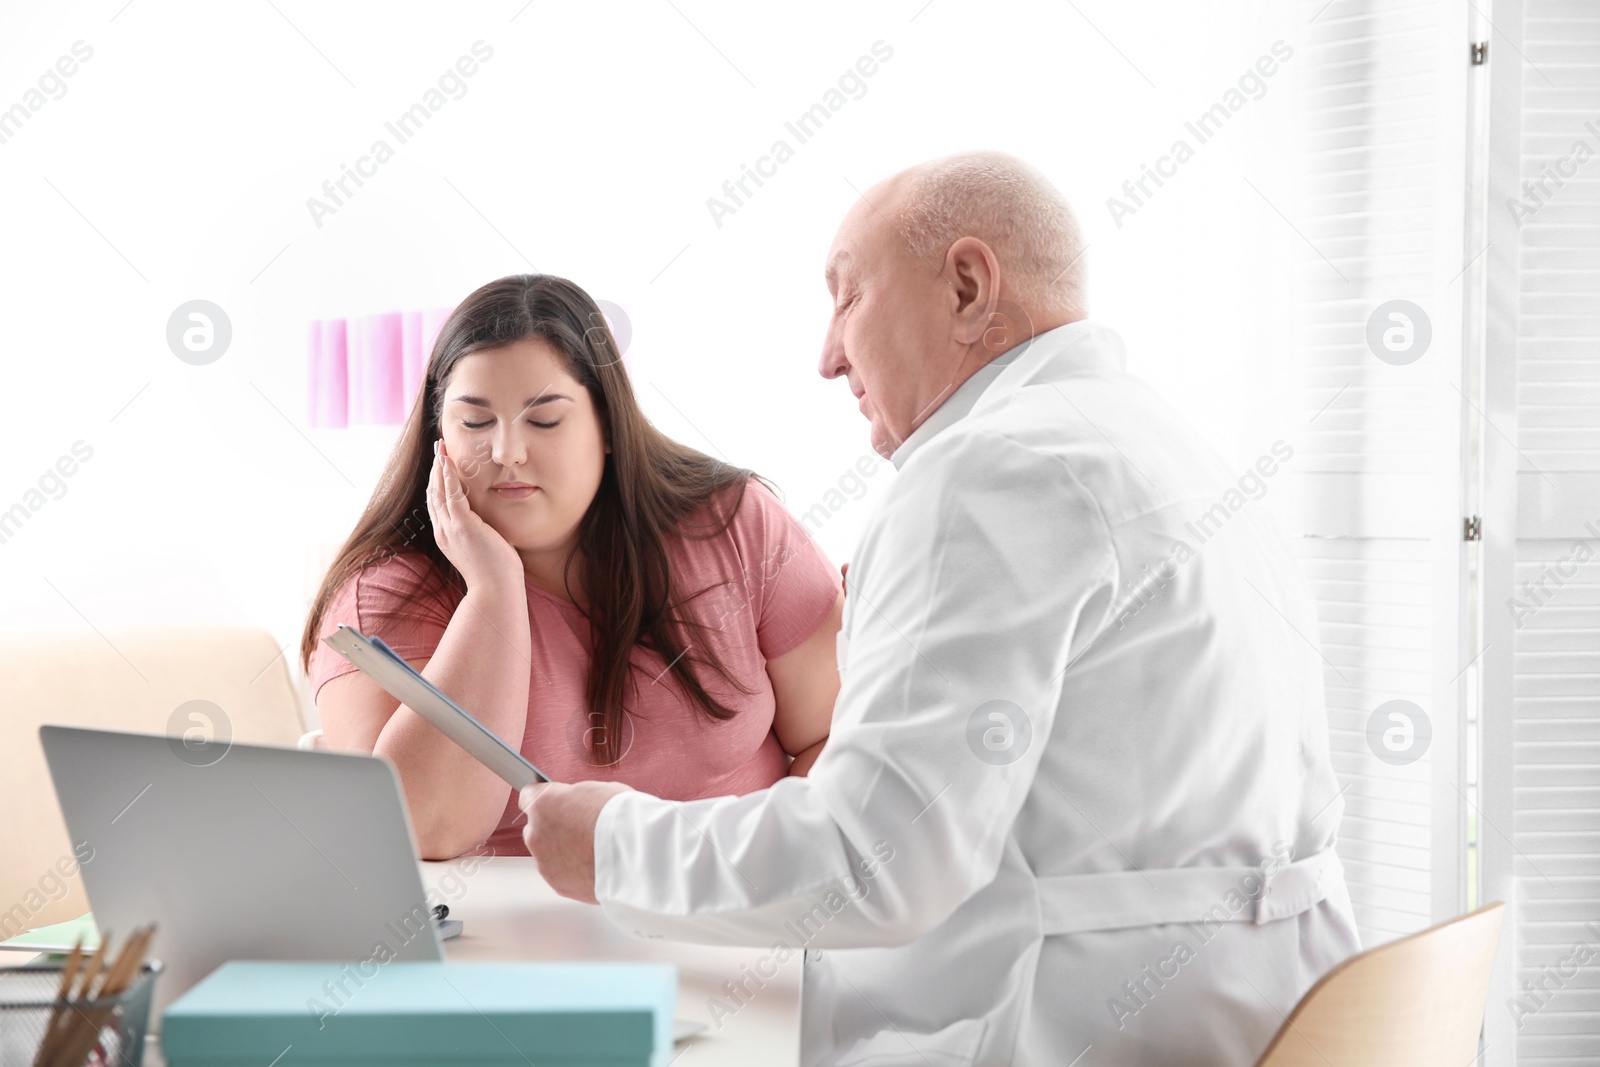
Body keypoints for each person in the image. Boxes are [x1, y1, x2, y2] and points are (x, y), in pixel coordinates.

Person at [518, 151, 1362, 1066]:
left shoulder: (987, 471)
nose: (828, 356)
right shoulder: (1168, 447)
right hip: (1263, 1013)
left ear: (967, 286)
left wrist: (611, 841)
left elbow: (876, 860)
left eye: (847, 298)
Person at [300, 274, 844, 860]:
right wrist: (493, 590)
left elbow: (835, 739)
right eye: (475, 423)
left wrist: (765, 879)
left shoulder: (735, 526)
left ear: (608, 426)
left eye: (545, 420)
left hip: (732, 916)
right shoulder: (386, 593)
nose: (507, 452)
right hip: (507, 943)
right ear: (439, 437)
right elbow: (423, 830)